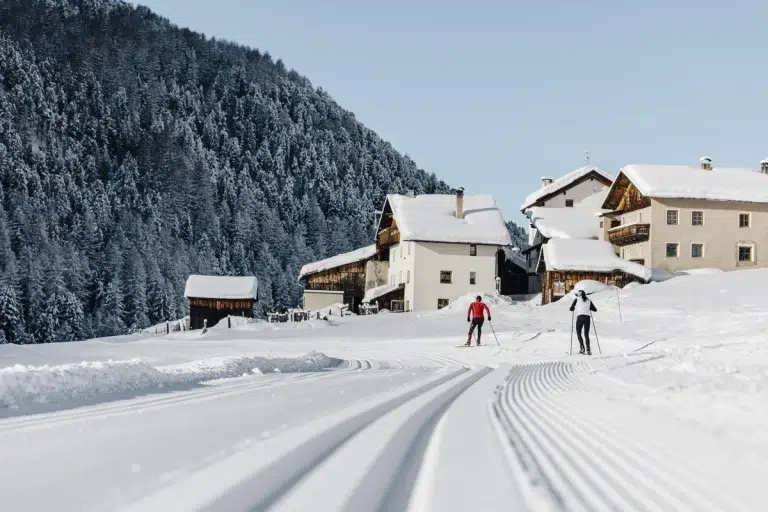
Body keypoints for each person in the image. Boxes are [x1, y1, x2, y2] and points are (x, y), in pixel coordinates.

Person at [570, 290, 597, 355]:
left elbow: (571, 309)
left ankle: (582, 348)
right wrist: (588, 308)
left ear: (579, 295)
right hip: (587, 318)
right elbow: (595, 309)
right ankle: (588, 349)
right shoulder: (588, 300)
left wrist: (573, 308)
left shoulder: (576, 300)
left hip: (580, 317)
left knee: (578, 332)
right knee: (586, 334)